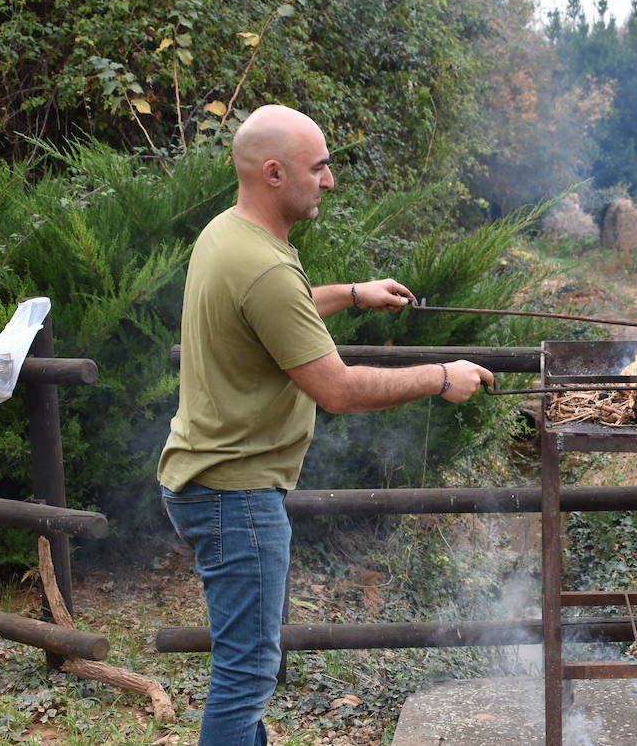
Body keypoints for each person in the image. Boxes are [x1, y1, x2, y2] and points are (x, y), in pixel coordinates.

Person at [157, 104, 493, 745]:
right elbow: (336, 388)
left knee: (245, 670)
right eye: (320, 168)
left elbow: (270, 314)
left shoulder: (226, 236)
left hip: (208, 479)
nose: (330, 181)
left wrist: (351, 292)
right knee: (246, 675)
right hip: (237, 494)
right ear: (276, 173)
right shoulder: (265, 267)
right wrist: (440, 375)